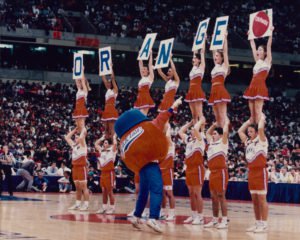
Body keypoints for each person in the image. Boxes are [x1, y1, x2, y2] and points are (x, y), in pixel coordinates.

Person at [114, 97, 182, 233]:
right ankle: (153, 218)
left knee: (143, 192)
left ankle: (136, 216)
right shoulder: (148, 127)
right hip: (151, 163)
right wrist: (174, 105)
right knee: (157, 190)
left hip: (140, 167)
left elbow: (122, 156)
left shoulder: (125, 138)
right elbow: (162, 117)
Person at [238, 114, 269, 233]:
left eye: (251, 131)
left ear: (256, 132)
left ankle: (264, 224)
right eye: (249, 131)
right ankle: (258, 223)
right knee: (255, 200)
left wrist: (262, 118)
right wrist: (248, 121)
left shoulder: (262, 140)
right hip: (251, 173)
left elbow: (261, 128)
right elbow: (240, 131)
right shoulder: (248, 142)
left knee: (262, 199)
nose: (249, 133)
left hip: (261, 172)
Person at [179, 117, 206, 225]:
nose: (191, 131)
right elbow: (180, 131)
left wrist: (200, 121)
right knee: (191, 193)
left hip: (197, 168)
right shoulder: (189, 140)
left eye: (193, 131)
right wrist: (189, 122)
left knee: (197, 193)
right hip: (189, 168)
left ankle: (200, 217)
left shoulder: (200, 141)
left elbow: (196, 129)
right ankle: (194, 214)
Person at [243, 27, 274, 124]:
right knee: (253, 116)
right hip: (252, 87)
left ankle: (262, 132)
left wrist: (270, 34)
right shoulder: (257, 61)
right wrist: (250, 37)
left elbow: (269, 46)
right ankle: (256, 134)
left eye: (260, 50)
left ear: (264, 52)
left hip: (260, 87)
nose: (258, 51)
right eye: (258, 50)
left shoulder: (267, 61)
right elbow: (252, 46)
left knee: (258, 111)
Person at [204, 118, 230, 229]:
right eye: (213, 134)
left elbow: (225, 132)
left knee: (221, 196)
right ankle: (214, 219)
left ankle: (224, 220)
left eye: (215, 134)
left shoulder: (223, 143)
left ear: (219, 135)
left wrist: (226, 122)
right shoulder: (210, 143)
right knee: (213, 197)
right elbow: (207, 133)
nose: (213, 135)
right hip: (212, 173)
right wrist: (214, 125)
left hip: (221, 172)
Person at [64, 127, 89, 211]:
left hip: (82, 168)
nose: (75, 138)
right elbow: (67, 137)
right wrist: (75, 129)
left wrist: (82, 128)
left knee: (84, 187)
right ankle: (77, 204)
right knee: (77, 187)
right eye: (75, 137)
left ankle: (86, 204)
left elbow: (82, 137)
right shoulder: (74, 145)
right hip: (74, 168)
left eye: (76, 137)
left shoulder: (83, 145)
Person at [208, 33, 230, 128]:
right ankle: (221, 137)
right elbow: (213, 50)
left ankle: (225, 137)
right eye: (215, 56)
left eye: (217, 56)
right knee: (217, 118)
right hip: (213, 91)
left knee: (222, 115)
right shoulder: (215, 66)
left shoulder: (224, 67)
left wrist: (225, 38)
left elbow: (225, 52)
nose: (215, 57)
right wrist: (212, 40)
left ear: (221, 58)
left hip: (220, 90)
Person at [185, 40, 206, 123]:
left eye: (195, 58)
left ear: (199, 60)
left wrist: (203, 40)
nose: (193, 59)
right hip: (191, 91)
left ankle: (202, 133)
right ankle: (195, 132)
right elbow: (194, 51)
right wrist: (196, 40)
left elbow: (202, 52)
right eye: (193, 58)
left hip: (197, 91)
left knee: (200, 114)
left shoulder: (201, 67)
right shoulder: (193, 68)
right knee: (194, 115)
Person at [95, 135, 117, 214]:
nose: (104, 144)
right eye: (104, 143)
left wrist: (114, 137)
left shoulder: (112, 150)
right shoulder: (101, 150)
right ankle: (104, 207)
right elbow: (96, 144)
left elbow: (115, 144)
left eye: (106, 143)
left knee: (110, 191)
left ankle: (112, 207)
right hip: (103, 173)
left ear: (109, 144)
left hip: (110, 172)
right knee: (103, 190)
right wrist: (101, 138)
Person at [159, 124, 176, 221]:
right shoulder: (161, 147)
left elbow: (167, 136)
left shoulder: (171, 145)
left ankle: (172, 213)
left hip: (168, 171)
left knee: (169, 193)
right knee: (162, 193)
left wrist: (167, 127)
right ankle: (162, 212)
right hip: (160, 171)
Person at [134, 51, 155, 115]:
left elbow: (149, 64)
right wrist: (140, 54)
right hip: (139, 97)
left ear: (148, 71)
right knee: (138, 116)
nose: (143, 70)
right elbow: (140, 64)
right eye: (142, 69)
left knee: (142, 116)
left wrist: (150, 54)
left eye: (144, 69)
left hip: (146, 98)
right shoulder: (142, 77)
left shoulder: (150, 77)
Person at [101, 64, 119, 140]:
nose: (108, 83)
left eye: (109, 82)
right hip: (106, 110)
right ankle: (107, 143)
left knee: (112, 129)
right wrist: (101, 67)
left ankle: (114, 143)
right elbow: (103, 78)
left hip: (111, 109)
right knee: (106, 129)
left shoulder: (115, 90)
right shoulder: (108, 90)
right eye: (107, 83)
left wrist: (111, 68)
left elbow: (112, 78)